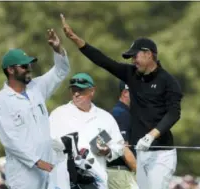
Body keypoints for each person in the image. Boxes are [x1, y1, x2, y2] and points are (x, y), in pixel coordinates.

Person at [60, 14, 183, 189]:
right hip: (141, 152)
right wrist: (76, 39)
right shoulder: (131, 74)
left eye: (136, 56)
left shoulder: (168, 81)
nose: (133, 61)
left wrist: (151, 135)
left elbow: (174, 113)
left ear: (149, 54)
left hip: (162, 153)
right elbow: (104, 61)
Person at [0, 29, 70, 189]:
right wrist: (38, 162)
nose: (29, 68)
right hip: (24, 175)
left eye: (30, 64)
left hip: (48, 169)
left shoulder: (36, 87)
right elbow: (11, 141)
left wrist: (57, 49)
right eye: (24, 66)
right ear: (10, 70)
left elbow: (61, 71)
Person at [49, 73, 125, 189]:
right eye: (73, 90)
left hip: (96, 180)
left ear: (92, 91)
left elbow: (119, 146)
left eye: (81, 90)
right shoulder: (58, 114)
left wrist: (108, 151)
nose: (76, 94)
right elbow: (46, 144)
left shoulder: (105, 118)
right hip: (63, 181)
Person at [107, 81, 138, 189]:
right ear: (125, 93)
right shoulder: (120, 113)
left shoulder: (117, 112)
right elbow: (124, 149)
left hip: (118, 173)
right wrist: (138, 170)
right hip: (120, 174)